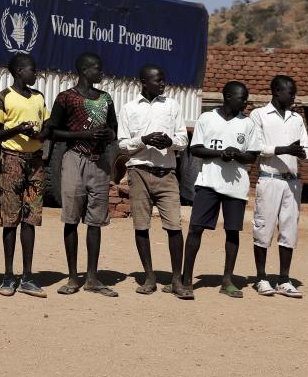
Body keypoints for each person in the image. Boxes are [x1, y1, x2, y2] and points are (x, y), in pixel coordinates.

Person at [180, 81, 261, 300]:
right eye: (242, 98)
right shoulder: (206, 118)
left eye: (246, 98)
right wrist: (219, 154)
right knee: (196, 229)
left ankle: (227, 281)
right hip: (208, 183)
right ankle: (186, 280)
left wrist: (236, 153)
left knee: (232, 232)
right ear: (227, 97)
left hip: (236, 187)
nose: (246, 102)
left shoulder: (248, 123)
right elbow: (195, 149)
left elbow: (252, 155)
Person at [49, 52, 118, 297]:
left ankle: (92, 277)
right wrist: (85, 136)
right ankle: (72, 277)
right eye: (98, 69)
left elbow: (113, 130)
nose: (102, 73)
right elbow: (53, 132)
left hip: (99, 163)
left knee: (95, 221)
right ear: (85, 70)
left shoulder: (106, 98)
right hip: (74, 160)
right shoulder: (66, 98)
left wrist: (106, 136)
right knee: (71, 219)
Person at [117, 64, 189, 297]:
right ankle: (149, 277)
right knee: (141, 226)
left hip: (167, 174)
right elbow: (122, 144)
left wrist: (169, 142)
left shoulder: (172, 106)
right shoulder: (129, 109)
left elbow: (183, 139)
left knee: (174, 227)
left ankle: (177, 280)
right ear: (143, 82)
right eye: (157, 80)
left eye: (163, 79)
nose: (162, 83)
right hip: (139, 173)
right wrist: (144, 139)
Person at [0, 53, 48, 297]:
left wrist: (40, 135)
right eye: (32, 70)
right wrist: (19, 129)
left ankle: (27, 276)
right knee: (10, 218)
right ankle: (8, 276)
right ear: (19, 71)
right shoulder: (2, 98)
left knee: (31, 218)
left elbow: (46, 125)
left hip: (35, 162)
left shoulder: (39, 97)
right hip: (11, 160)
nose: (35, 74)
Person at [249, 75, 308, 298]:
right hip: (270, 179)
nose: (294, 96)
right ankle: (262, 278)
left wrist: (301, 153)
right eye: (290, 92)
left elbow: (306, 149)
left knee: (289, 230)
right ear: (276, 91)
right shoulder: (259, 115)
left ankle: (284, 279)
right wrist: (284, 149)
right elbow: (256, 147)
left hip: (292, 182)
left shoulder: (296, 118)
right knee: (263, 229)